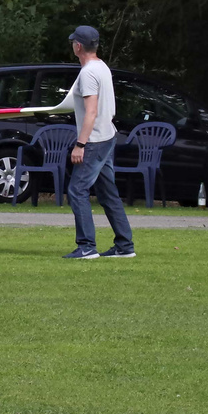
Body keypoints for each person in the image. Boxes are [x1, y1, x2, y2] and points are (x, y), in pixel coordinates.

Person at [63, 25, 134, 259]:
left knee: (77, 190)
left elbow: (91, 112)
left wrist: (80, 145)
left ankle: (86, 246)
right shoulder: (102, 67)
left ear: (78, 46)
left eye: (74, 42)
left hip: (94, 140)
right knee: (107, 193)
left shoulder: (88, 73)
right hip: (108, 136)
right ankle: (124, 246)